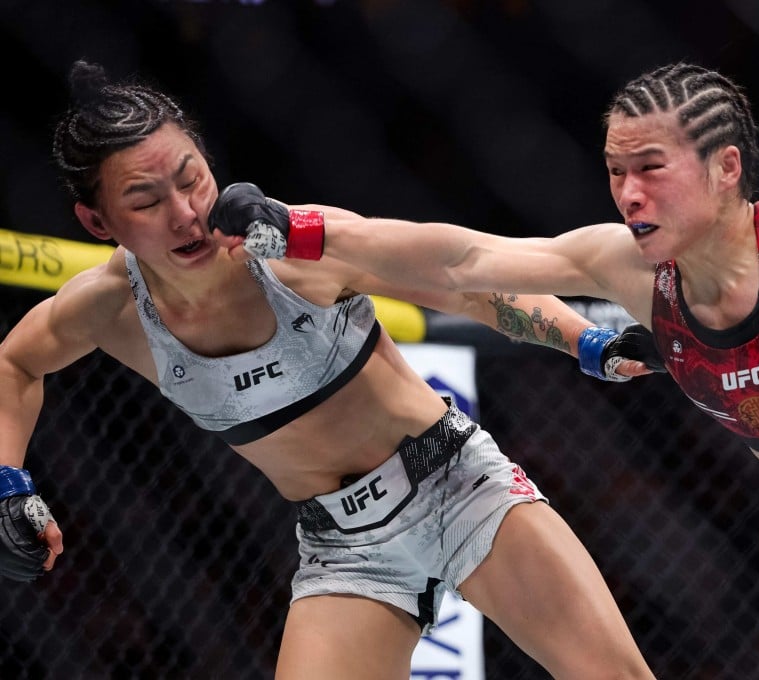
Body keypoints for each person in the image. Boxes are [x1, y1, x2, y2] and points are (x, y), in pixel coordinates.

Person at [214, 61, 759, 678]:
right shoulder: (632, 270)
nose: (629, 193)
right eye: (615, 170)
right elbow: (464, 259)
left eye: (651, 168)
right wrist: (303, 228)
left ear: (726, 167)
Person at [0, 60, 663, 680]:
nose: (185, 214)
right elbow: (14, 363)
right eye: (145, 201)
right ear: (96, 220)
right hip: (344, 547)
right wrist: (8, 483)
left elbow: (460, 282)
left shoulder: (291, 247)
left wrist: (588, 343)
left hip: (459, 489)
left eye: (191, 178)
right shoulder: (108, 309)